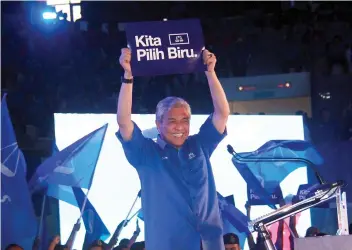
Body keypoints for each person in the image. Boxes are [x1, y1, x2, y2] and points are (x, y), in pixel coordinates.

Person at [116, 48, 230, 250]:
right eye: (172, 121)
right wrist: (128, 77)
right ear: (158, 124)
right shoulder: (146, 153)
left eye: (185, 120)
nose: (179, 127)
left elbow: (222, 113)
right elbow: (124, 122)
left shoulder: (200, 144)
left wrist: (210, 72)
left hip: (209, 242)